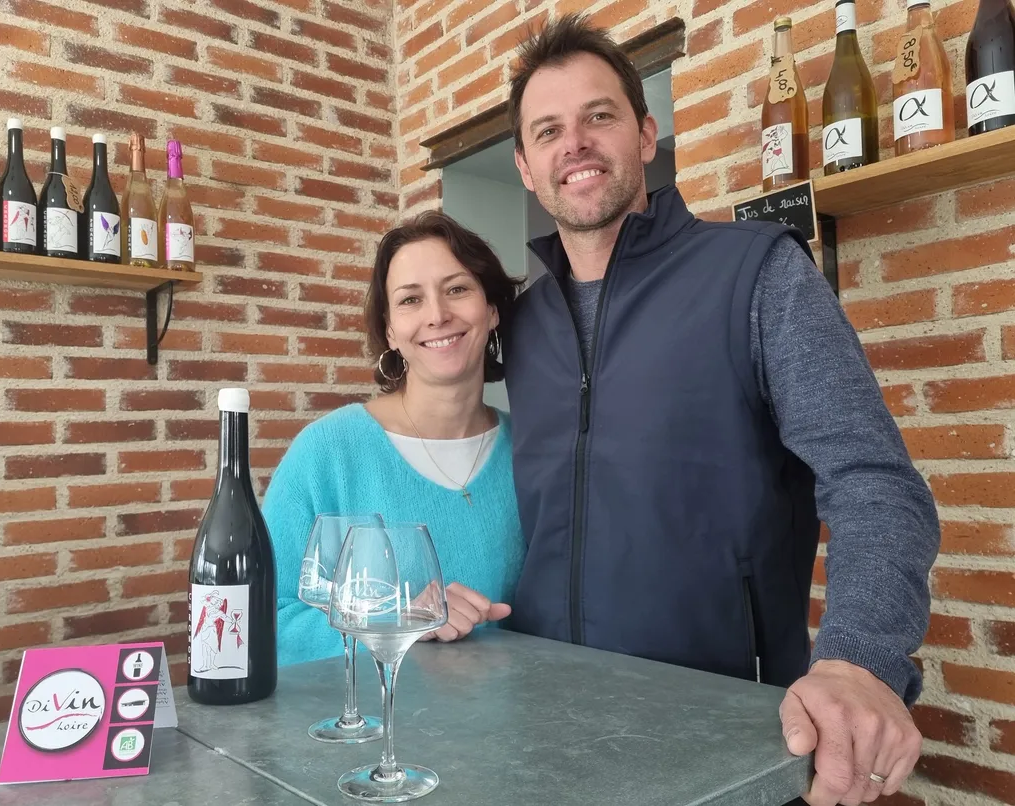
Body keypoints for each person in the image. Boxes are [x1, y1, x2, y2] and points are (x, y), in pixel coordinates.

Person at [501, 13, 940, 806]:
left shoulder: (757, 272)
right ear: (526, 168)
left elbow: (872, 479)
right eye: (549, 130)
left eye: (599, 116)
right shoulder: (520, 326)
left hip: (726, 741)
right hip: (547, 734)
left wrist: (858, 659)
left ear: (645, 134)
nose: (576, 143)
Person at [262, 211, 526, 666]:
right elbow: (261, 619)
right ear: (389, 330)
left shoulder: (534, 449)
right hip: (370, 730)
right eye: (410, 300)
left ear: (493, 309)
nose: (438, 315)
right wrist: (391, 624)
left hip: (522, 726)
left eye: (457, 289)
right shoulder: (328, 452)